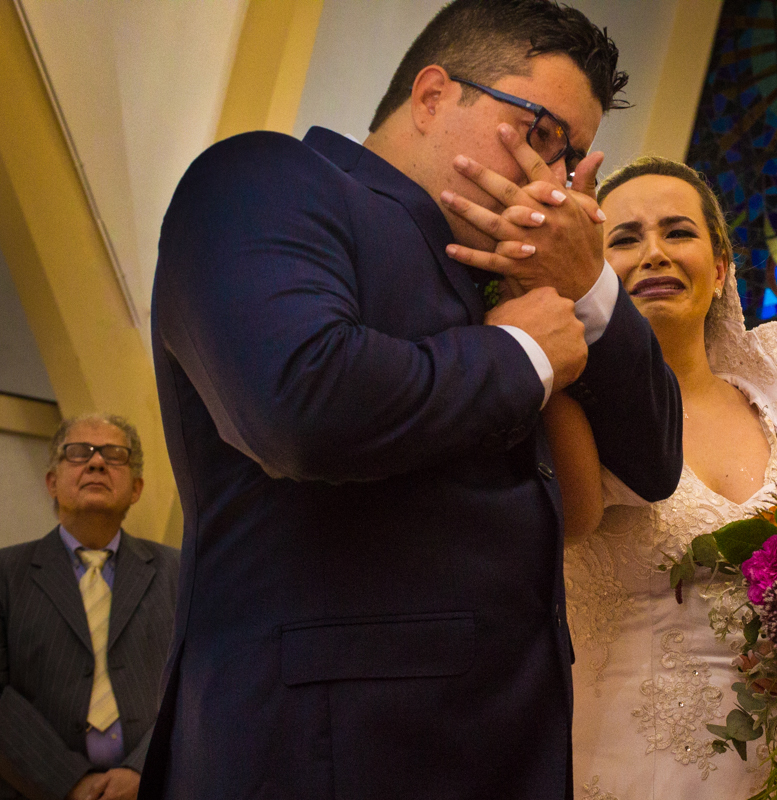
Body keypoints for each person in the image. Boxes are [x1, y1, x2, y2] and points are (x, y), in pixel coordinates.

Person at [142, 1, 683, 798]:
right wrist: (524, 352)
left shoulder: (515, 266)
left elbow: (654, 462)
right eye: (538, 132)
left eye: (570, 161)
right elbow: (299, 403)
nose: (552, 180)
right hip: (325, 749)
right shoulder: (263, 180)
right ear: (433, 95)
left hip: (509, 741)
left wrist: (588, 283)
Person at [554, 157, 777, 797]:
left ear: (720, 270)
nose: (653, 253)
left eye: (677, 232)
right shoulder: (569, 416)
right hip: (634, 761)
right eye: (625, 239)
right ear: (593, 272)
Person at [0, 414, 179, 800]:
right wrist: (70, 783)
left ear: (136, 488)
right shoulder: (5, 574)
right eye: (79, 453)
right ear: (52, 482)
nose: (97, 462)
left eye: (115, 456)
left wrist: (141, 771)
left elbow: (198, 683)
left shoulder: (179, 573)